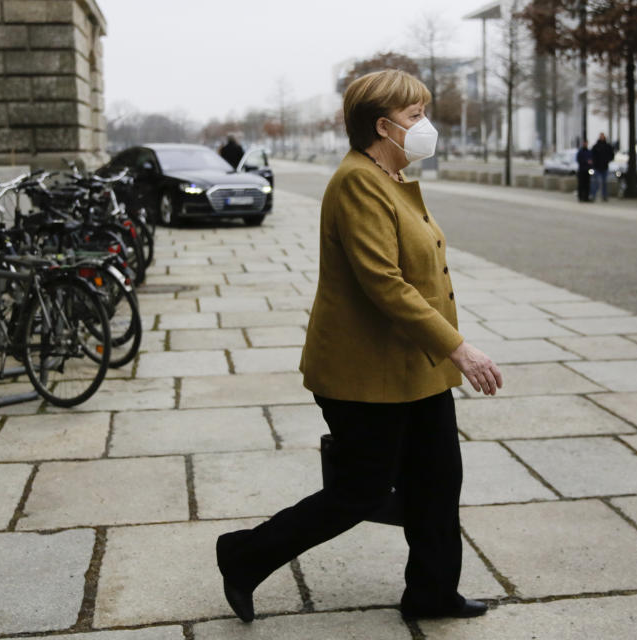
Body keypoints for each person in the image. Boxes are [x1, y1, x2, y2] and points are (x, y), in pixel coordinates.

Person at [215, 70, 503, 624]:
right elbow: (384, 282)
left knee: (438, 482)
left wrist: (443, 353)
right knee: (360, 491)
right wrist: (460, 350)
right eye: (416, 116)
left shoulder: (387, 177)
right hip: (364, 373)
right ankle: (244, 555)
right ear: (382, 126)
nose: (426, 126)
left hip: (414, 367)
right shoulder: (356, 182)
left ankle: (432, 592)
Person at [590, 133, 615, 201]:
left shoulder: (607, 146)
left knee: (604, 183)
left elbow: (612, 155)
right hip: (597, 167)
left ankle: (604, 196)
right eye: (601, 136)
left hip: (605, 167)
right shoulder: (596, 146)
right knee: (596, 182)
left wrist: (607, 160)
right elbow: (592, 155)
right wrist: (594, 162)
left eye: (603, 136)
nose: (602, 137)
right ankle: (593, 195)